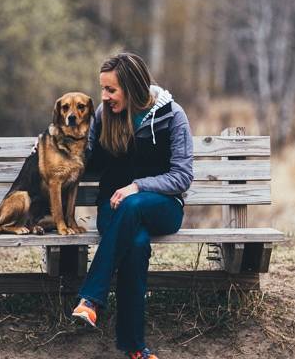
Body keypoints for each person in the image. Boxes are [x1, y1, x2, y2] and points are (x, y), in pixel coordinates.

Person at [71, 52, 194, 359]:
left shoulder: (172, 115)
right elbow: (85, 158)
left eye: (111, 90)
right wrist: (51, 144)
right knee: (136, 243)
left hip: (163, 208)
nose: (104, 97)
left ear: (132, 87)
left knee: (134, 204)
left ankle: (91, 299)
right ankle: (135, 348)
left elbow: (182, 176)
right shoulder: (104, 114)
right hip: (113, 209)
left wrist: (138, 186)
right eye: (102, 89)